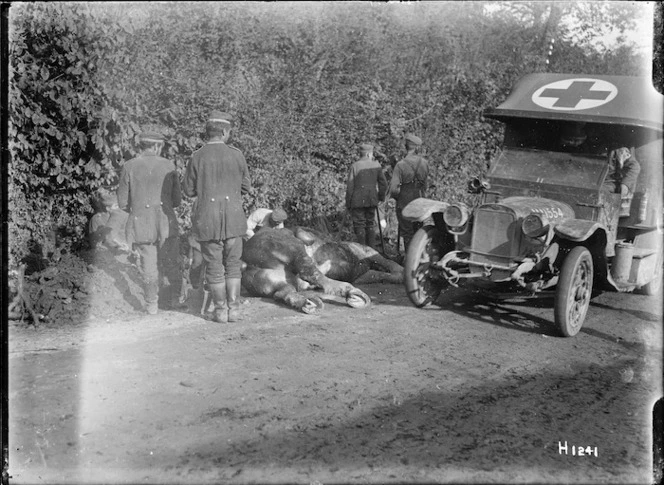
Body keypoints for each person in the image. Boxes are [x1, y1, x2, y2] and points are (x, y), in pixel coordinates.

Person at [183, 110, 251, 323]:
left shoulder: (196, 156)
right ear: (223, 132)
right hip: (233, 218)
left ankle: (220, 311)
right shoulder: (237, 154)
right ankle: (234, 309)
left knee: (214, 266)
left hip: (208, 220)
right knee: (233, 264)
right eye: (229, 132)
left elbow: (189, 190)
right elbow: (246, 187)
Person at [117, 131, 183, 315]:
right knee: (170, 261)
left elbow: (122, 202)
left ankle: (151, 304)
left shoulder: (129, 165)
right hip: (165, 221)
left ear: (141, 145)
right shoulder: (168, 165)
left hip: (141, 221)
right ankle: (173, 300)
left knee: (148, 264)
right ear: (157, 146)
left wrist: (138, 207)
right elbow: (177, 200)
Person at [388, 133, 429, 253]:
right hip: (420, 200)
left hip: (404, 201)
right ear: (417, 148)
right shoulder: (424, 163)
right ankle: (417, 258)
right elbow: (425, 185)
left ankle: (408, 259)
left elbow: (394, 189)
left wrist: (396, 198)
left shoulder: (400, 165)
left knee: (407, 233)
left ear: (406, 147)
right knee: (418, 231)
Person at [345, 142, 388, 250]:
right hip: (371, 199)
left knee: (359, 224)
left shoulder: (354, 166)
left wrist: (348, 203)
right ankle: (371, 250)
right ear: (369, 154)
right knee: (370, 223)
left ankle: (361, 250)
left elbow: (350, 186)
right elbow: (384, 184)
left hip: (357, 200)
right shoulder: (376, 165)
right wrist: (380, 197)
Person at [602, 147, 641, 216]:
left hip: (616, 190)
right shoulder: (615, 158)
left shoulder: (634, 166)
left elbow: (624, 186)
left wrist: (618, 206)